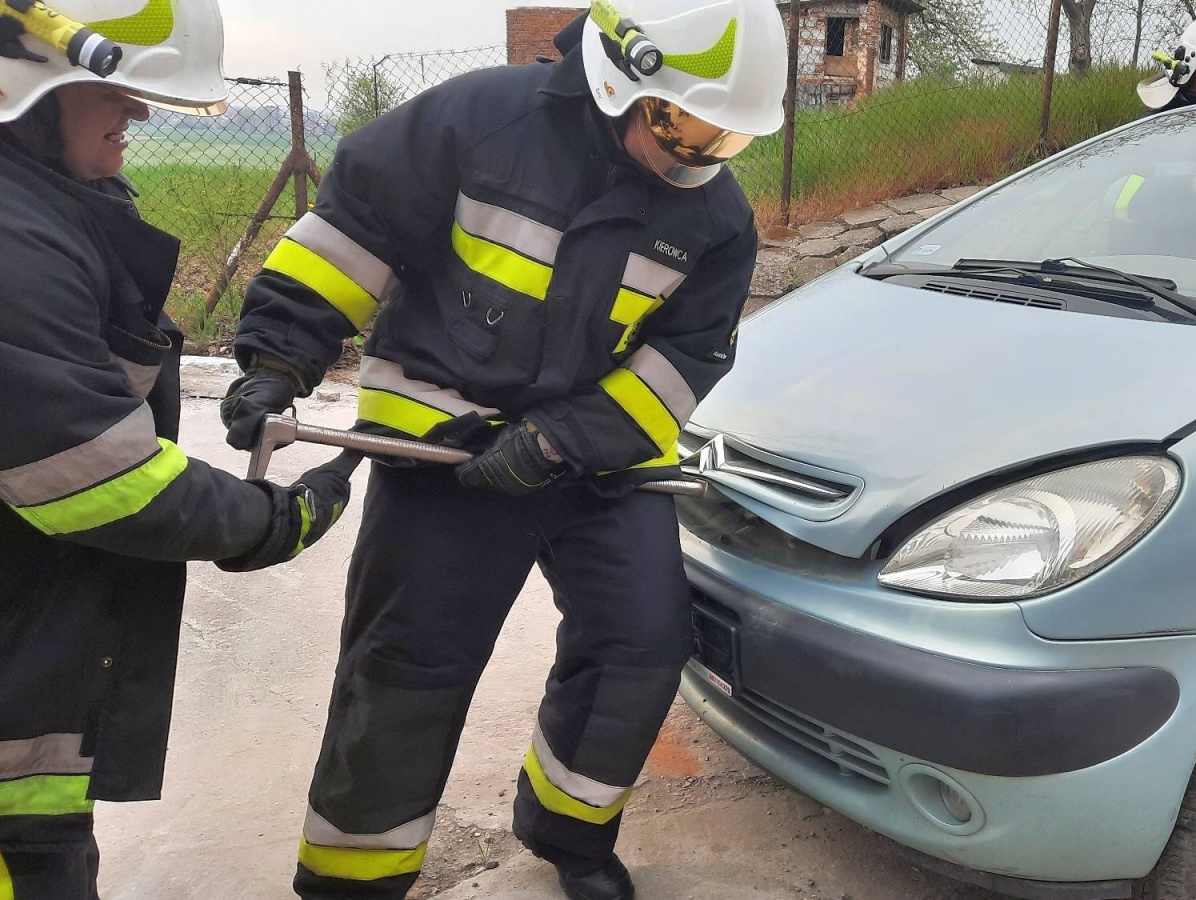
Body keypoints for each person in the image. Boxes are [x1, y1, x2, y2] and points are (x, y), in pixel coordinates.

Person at [221, 1, 787, 898]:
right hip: (447, 452)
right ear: (617, 79)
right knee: (409, 672)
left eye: (726, 139)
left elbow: (686, 359)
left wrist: (565, 440)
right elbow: (348, 238)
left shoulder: (717, 218)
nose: (698, 156)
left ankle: (571, 835)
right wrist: (278, 359)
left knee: (640, 642)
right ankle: (351, 882)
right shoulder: (479, 121)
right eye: (684, 124)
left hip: (599, 461)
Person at [0, 2, 354, 898]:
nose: (142, 115)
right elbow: (96, 477)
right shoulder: (13, 238)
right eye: (121, 90)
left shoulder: (42, 207)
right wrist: (275, 519)